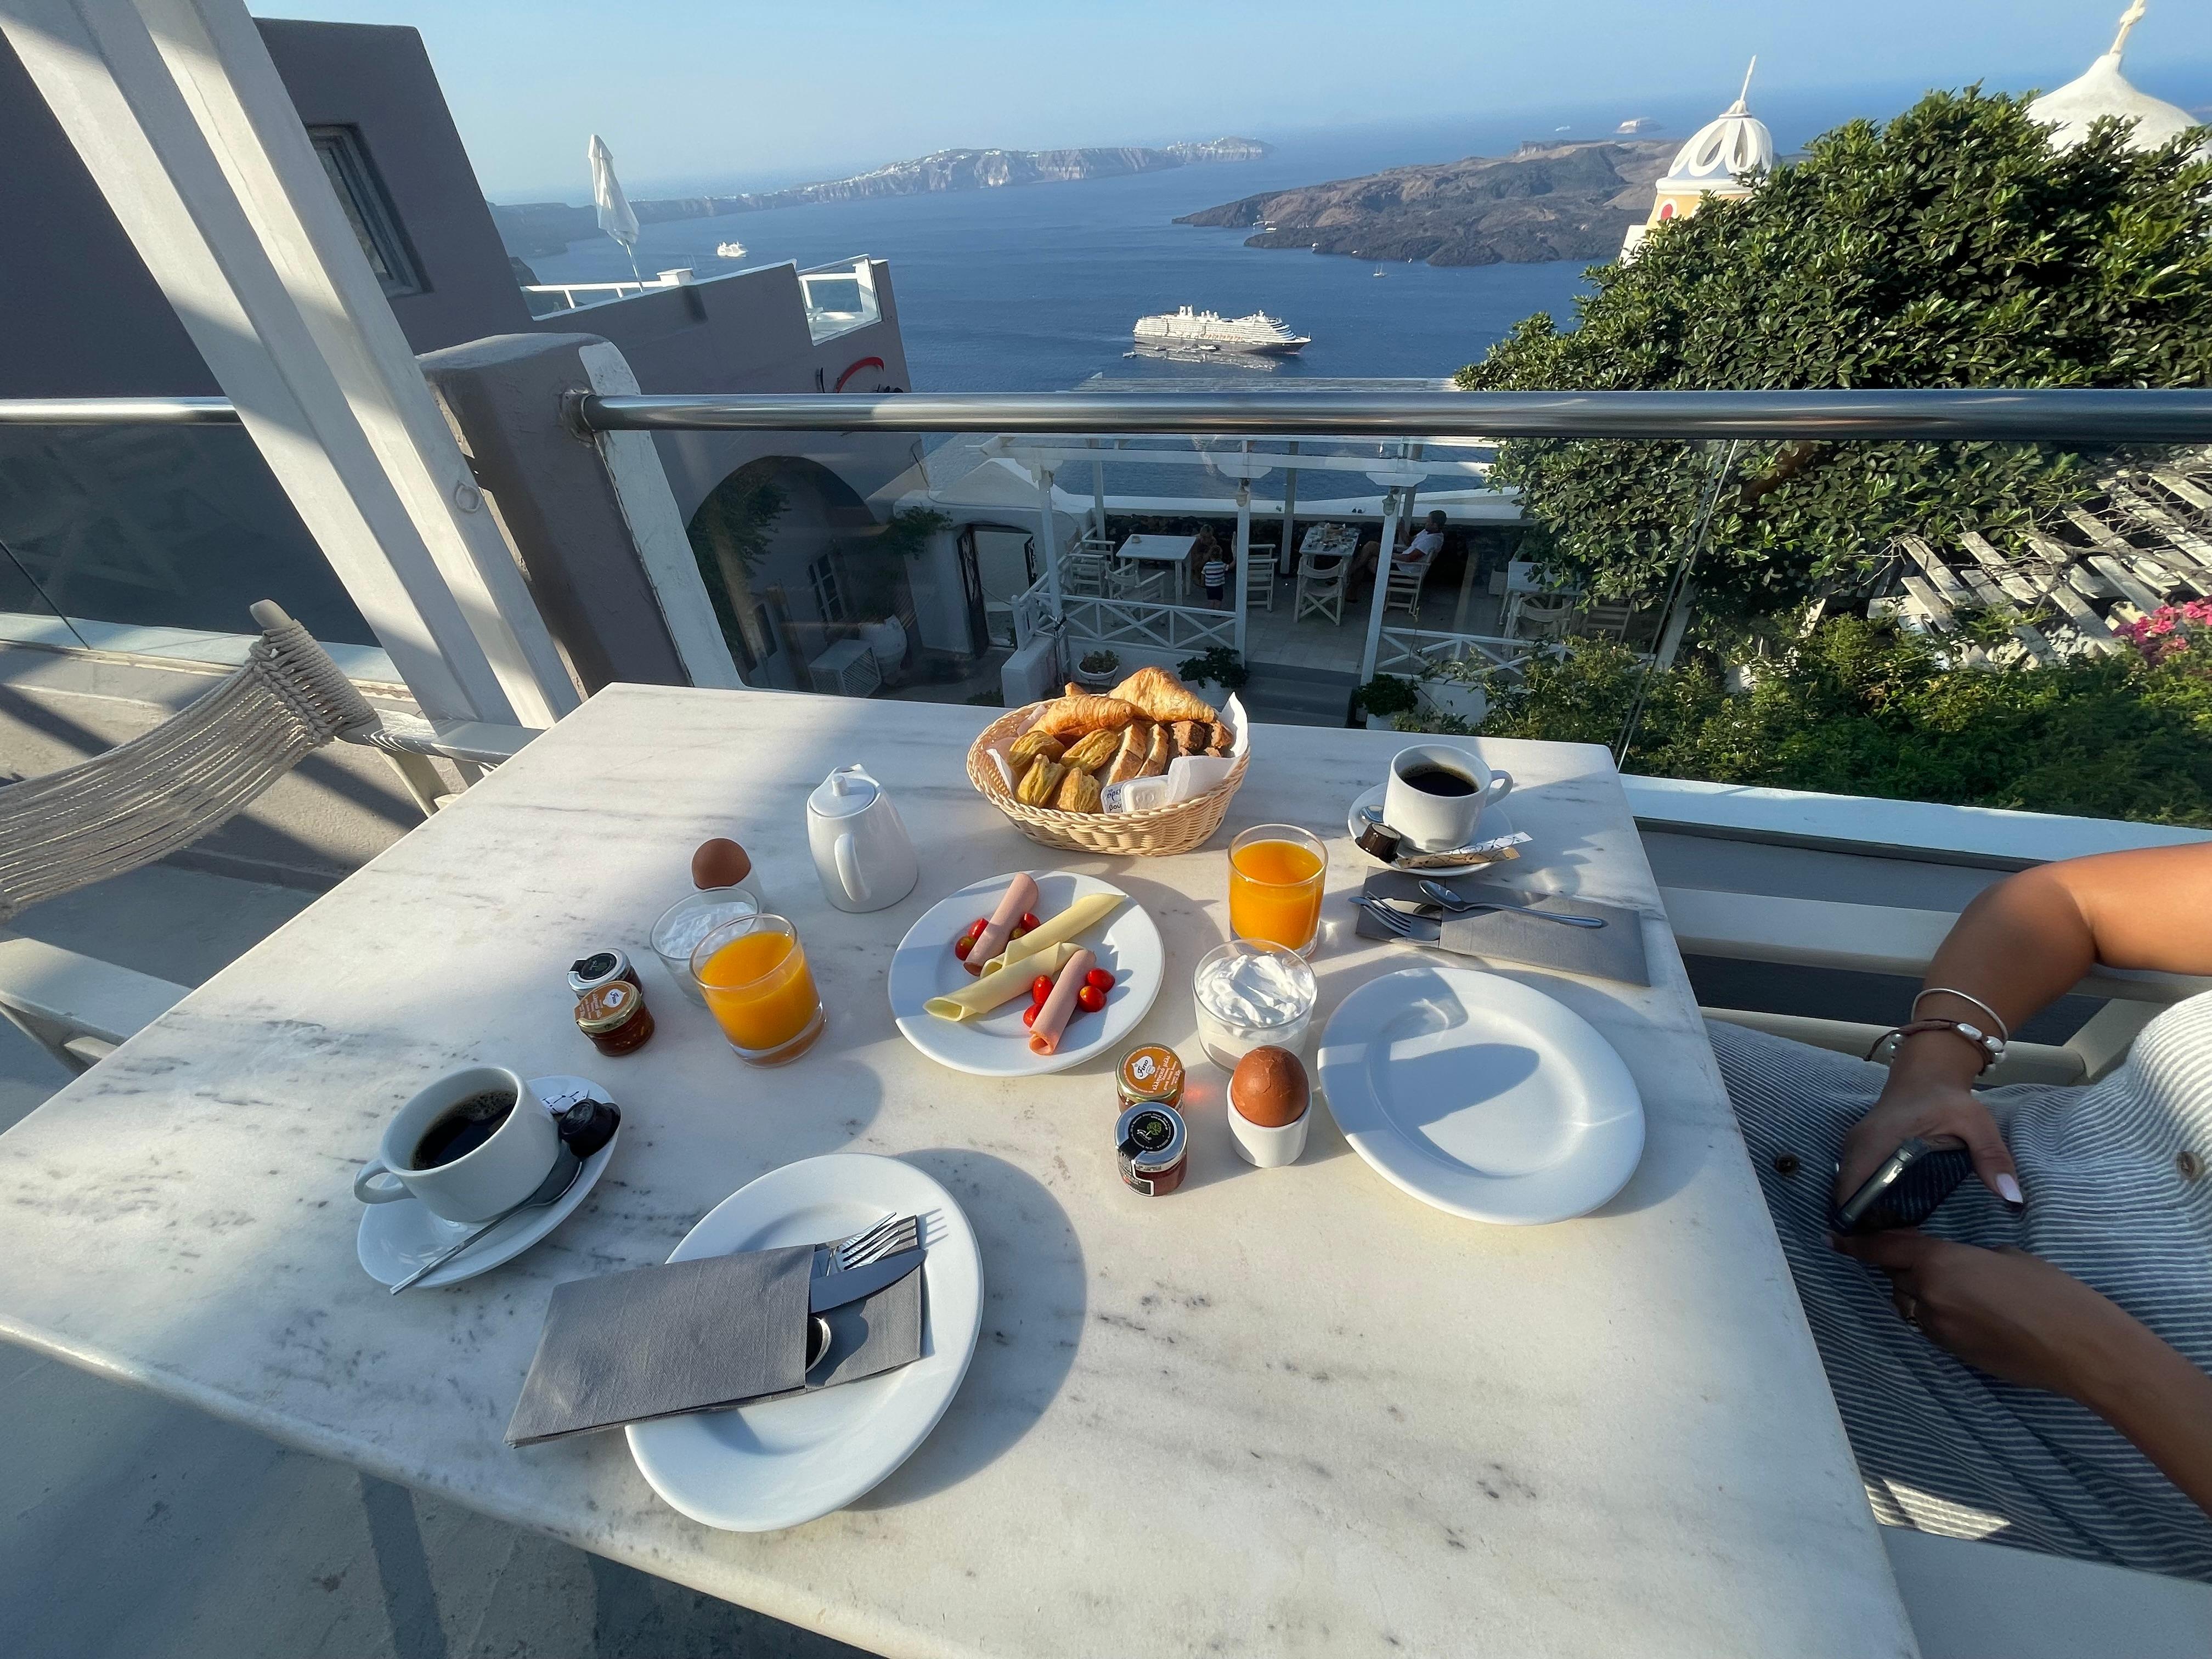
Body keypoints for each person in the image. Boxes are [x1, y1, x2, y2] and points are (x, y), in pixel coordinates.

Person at [1710, 843, 2212, 1581]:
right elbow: (2067, 902)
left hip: (2024, 1461)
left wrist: (2094, 1357)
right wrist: (1932, 1072)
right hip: (1893, 1151)